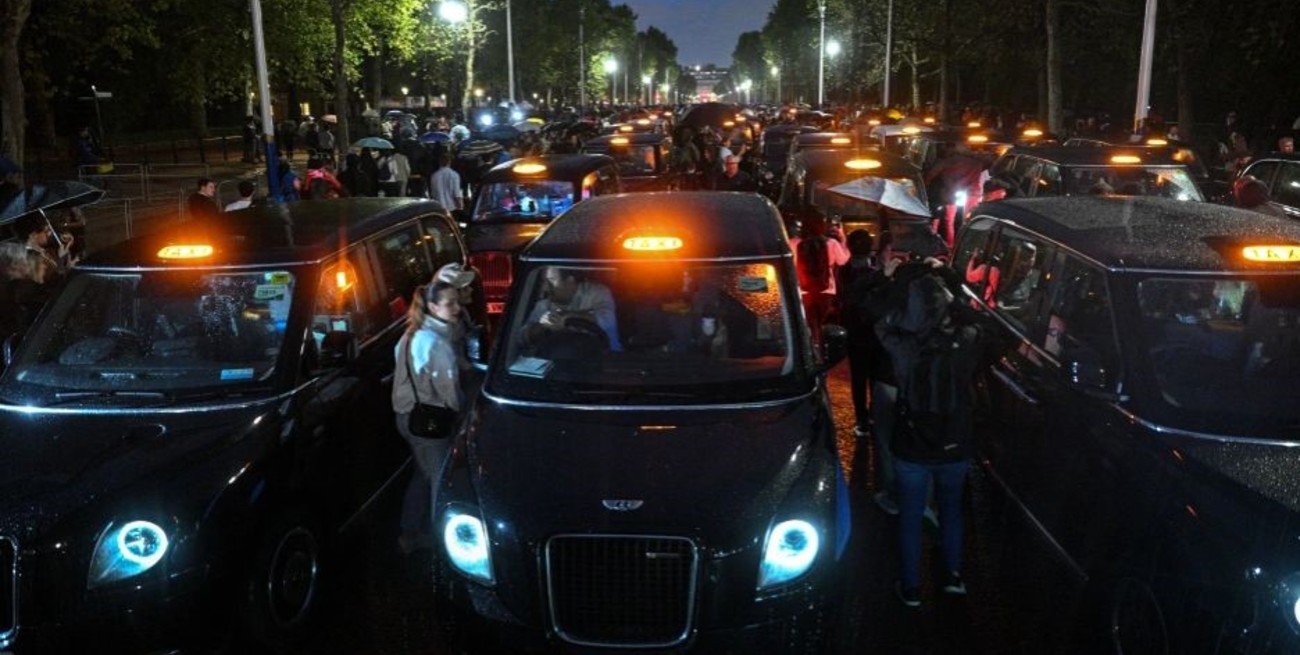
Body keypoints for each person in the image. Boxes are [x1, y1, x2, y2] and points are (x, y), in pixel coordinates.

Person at [873, 256, 992, 608]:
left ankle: (911, 587)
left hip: (912, 442)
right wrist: (952, 288)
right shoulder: (968, 340)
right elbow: (990, 328)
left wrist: (900, 279)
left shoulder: (902, 345)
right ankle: (953, 576)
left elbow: (878, 314)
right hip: (955, 440)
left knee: (910, 514)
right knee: (952, 509)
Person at [391, 281, 469, 553]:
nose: (457, 308)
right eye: (450, 304)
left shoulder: (410, 335)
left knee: (422, 473)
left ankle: (409, 532)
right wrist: (464, 414)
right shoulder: (437, 345)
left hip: (406, 418)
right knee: (440, 480)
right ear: (434, 307)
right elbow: (450, 395)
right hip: (429, 424)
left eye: (457, 302)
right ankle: (441, 544)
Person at [521, 266, 621, 352]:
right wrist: (542, 326)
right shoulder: (544, 304)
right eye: (544, 282)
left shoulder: (597, 293)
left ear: (570, 280)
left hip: (605, 358)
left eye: (551, 280)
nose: (546, 288)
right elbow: (523, 336)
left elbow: (608, 320)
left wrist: (567, 316)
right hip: (560, 360)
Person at [837, 229, 878, 438]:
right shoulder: (876, 272)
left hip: (855, 333)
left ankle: (862, 420)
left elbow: (844, 300)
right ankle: (875, 416)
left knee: (859, 378)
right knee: (877, 377)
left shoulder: (843, 272)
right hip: (876, 333)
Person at [790, 209, 850, 349]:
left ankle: (809, 349)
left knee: (807, 324)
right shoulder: (831, 243)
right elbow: (843, 260)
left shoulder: (793, 243)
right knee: (822, 325)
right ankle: (821, 351)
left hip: (802, 290)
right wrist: (843, 239)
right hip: (826, 290)